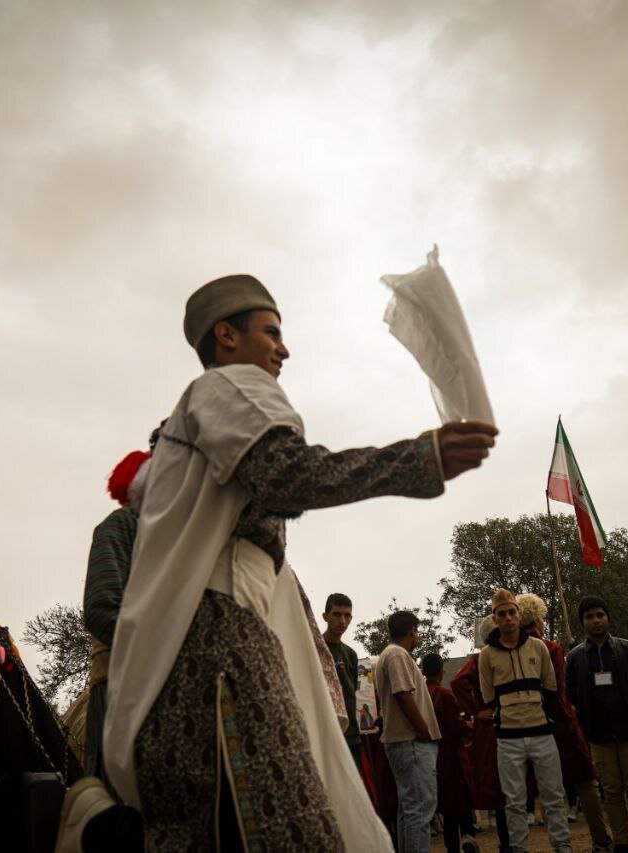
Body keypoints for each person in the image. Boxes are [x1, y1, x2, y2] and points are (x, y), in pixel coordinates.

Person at [102, 274, 498, 851]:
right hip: (221, 647)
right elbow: (289, 475)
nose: (284, 349)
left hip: (173, 661)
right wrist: (418, 458)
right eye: (271, 332)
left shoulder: (186, 430)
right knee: (294, 825)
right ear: (226, 337)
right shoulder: (231, 388)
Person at [516, 592, 614, 851]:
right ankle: (601, 840)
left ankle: (559, 844)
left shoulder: (513, 651)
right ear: (537, 618)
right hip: (560, 722)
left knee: (548, 792)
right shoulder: (550, 647)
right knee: (585, 781)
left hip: (531, 727)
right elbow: (558, 688)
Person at [479, 588, 573, 853]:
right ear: (495, 619)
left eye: (511, 612)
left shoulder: (539, 647)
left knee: (554, 797)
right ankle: (519, 849)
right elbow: (488, 696)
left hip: (542, 733)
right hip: (508, 738)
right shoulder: (487, 655)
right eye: (501, 614)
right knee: (514, 802)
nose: (508, 618)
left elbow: (551, 688)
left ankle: (562, 847)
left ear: (519, 615)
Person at [81, 448, 151, 780]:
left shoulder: (183, 536)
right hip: (120, 683)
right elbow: (102, 609)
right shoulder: (120, 526)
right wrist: (162, 651)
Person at [565, 595, 628, 853]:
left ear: (607, 617)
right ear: (582, 622)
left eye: (600, 615)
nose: (596, 621)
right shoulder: (575, 658)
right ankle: (622, 844)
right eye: (589, 616)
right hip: (598, 735)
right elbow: (571, 695)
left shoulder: (627, 649)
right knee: (612, 793)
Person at [377, 610, 443, 853]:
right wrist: (423, 730)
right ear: (412, 631)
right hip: (411, 741)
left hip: (406, 742)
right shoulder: (396, 654)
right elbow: (402, 694)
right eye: (417, 632)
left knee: (409, 810)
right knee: (420, 810)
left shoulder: (393, 654)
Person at [451, 615, 512, 853]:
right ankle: (508, 843)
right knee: (501, 786)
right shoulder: (481, 658)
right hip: (494, 729)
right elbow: (457, 682)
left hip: (513, 724)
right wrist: (478, 710)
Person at [422, 652, 481, 853]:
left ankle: (453, 847)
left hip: (431, 755)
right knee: (461, 801)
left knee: (447, 807)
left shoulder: (421, 694)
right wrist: (471, 727)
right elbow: (455, 726)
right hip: (451, 756)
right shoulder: (444, 694)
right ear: (441, 670)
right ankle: (467, 838)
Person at [324, 592, 363, 768]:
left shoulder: (351, 654)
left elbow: (353, 690)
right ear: (325, 616)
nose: (342, 621)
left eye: (347, 616)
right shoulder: (314, 647)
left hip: (352, 733)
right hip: (326, 732)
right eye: (337, 614)